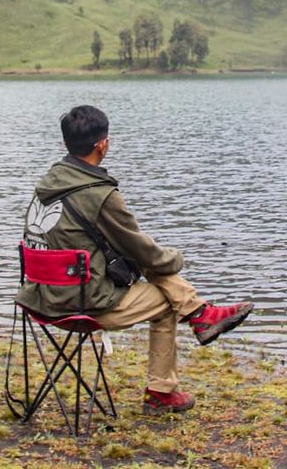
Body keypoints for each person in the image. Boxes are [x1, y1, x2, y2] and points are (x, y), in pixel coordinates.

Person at [17, 104, 253, 414]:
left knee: (141, 263)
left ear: (66, 144)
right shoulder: (100, 195)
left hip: (39, 297)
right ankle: (162, 390)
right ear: (103, 145)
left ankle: (200, 314)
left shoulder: (47, 186)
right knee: (168, 299)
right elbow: (144, 251)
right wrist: (176, 259)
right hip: (80, 304)